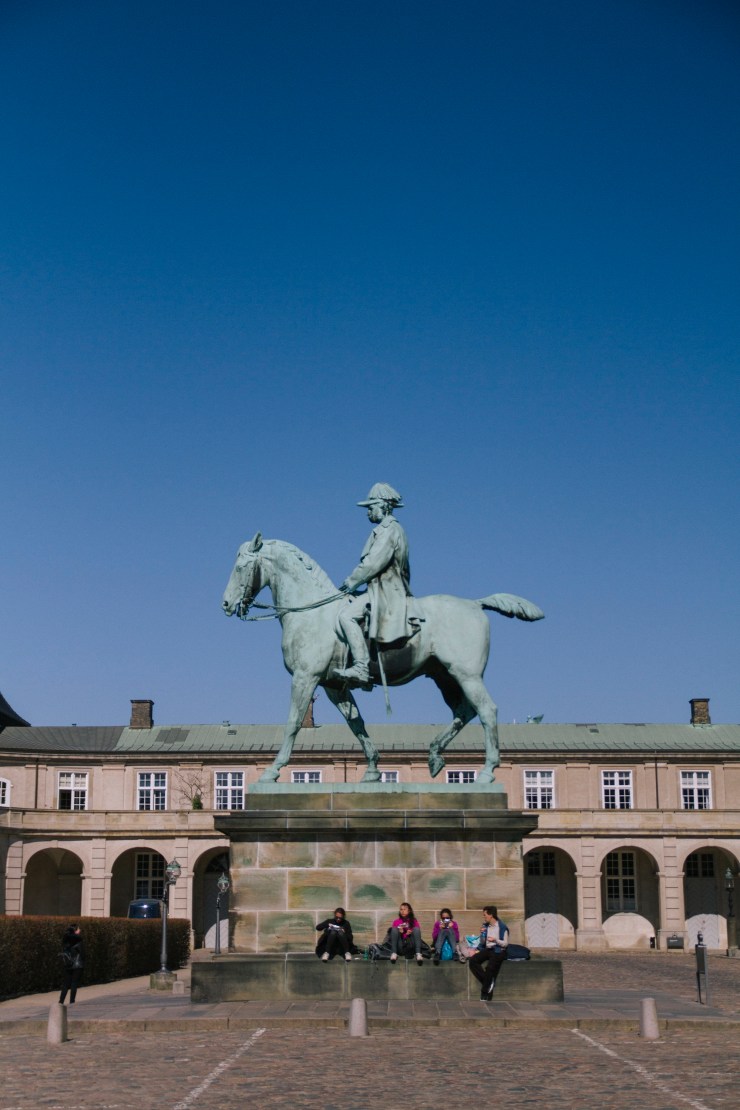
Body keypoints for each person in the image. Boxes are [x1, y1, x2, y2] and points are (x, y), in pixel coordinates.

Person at [335, 483, 412, 686]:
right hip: (379, 587)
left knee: (346, 616)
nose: (368, 512)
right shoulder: (387, 529)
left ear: (384, 506)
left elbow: (373, 563)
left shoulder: (390, 530)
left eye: (371, 507)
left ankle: (361, 666)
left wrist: (350, 582)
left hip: (387, 590)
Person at [468, 905, 509, 1001]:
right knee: (473, 961)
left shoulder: (502, 927)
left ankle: (485, 992)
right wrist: (482, 935)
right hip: (488, 949)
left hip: (499, 950)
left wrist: (495, 940)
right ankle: (489, 981)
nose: (484, 917)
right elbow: (483, 942)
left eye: (485, 915)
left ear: (491, 915)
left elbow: (505, 944)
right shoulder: (485, 926)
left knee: (490, 968)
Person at [59, 923, 84, 1004]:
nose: (80, 930)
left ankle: (61, 1001)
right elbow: (83, 953)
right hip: (77, 964)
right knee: (74, 983)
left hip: (68, 963)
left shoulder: (65, 939)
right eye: (78, 929)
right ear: (75, 930)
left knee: (65, 984)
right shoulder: (79, 939)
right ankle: (72, 1001)